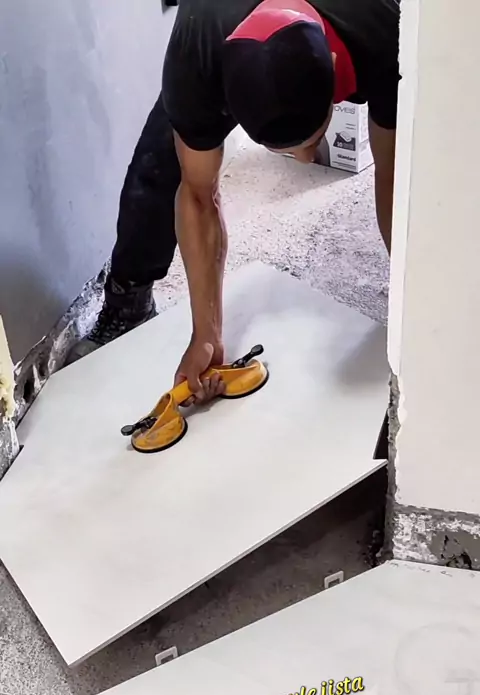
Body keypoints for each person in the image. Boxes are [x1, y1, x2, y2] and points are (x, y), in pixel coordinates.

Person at [68, 0, 400, 406]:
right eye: (290, 150)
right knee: (162, 162)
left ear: (333, 66)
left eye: (311, 141)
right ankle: (127, 299)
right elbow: (198, 195)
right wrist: (206, 334)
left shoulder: (386, 34)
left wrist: (411, 308)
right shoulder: (197, 56)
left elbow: (394, 177)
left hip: (362, 31)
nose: (305, 162)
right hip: (216, 29)